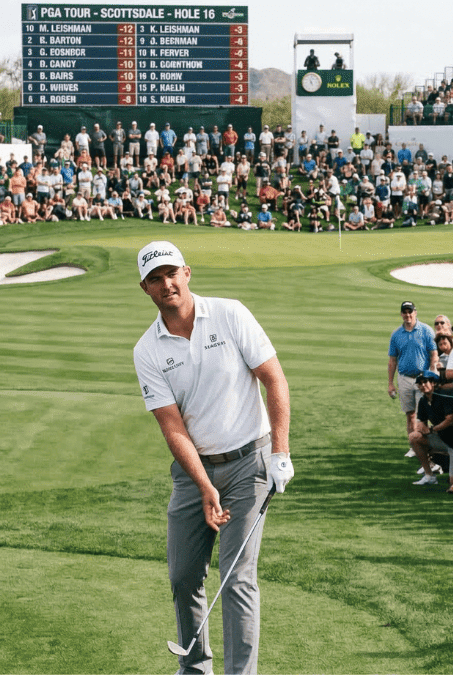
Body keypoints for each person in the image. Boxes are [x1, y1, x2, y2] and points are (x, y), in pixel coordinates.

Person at [132, 241, 292, 675]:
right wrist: (204, 486)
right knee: (183, 576)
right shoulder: (147, 350)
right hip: (193, 472)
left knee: (236, 575)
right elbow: (172, 427)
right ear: (145, 288)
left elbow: (274, 380)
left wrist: (280, 452)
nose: (166, 284)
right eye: (155, 279)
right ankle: (196, 667)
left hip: (249, 463)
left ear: (187, 273)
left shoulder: (230, 313)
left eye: (171, 274)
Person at [388, 301, 439, 455]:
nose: (408, 315)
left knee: (423, 415)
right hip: (404, 378)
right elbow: (392, 360)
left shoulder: (426, 330)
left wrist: (432, 373)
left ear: (415, 312)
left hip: (422, 379)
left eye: (410, 311)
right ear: (401, 314)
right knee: (410, 414)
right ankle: (413, 446)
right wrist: (390, 383)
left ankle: (426, 446)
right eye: (405, 312)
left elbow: (434, 354)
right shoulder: (396, 334)